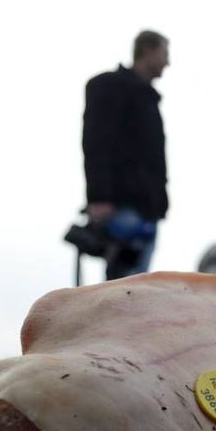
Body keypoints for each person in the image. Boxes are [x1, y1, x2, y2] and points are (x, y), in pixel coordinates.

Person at [82, 30, 170, 280]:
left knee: (134, 289)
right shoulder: (111, 87)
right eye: (165, 53)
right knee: (124, 292)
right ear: (149, 50)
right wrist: (99, 197)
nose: (168, 62)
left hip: (146, 209)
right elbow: (96, 142)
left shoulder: (147, 99)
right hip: (123, 206)